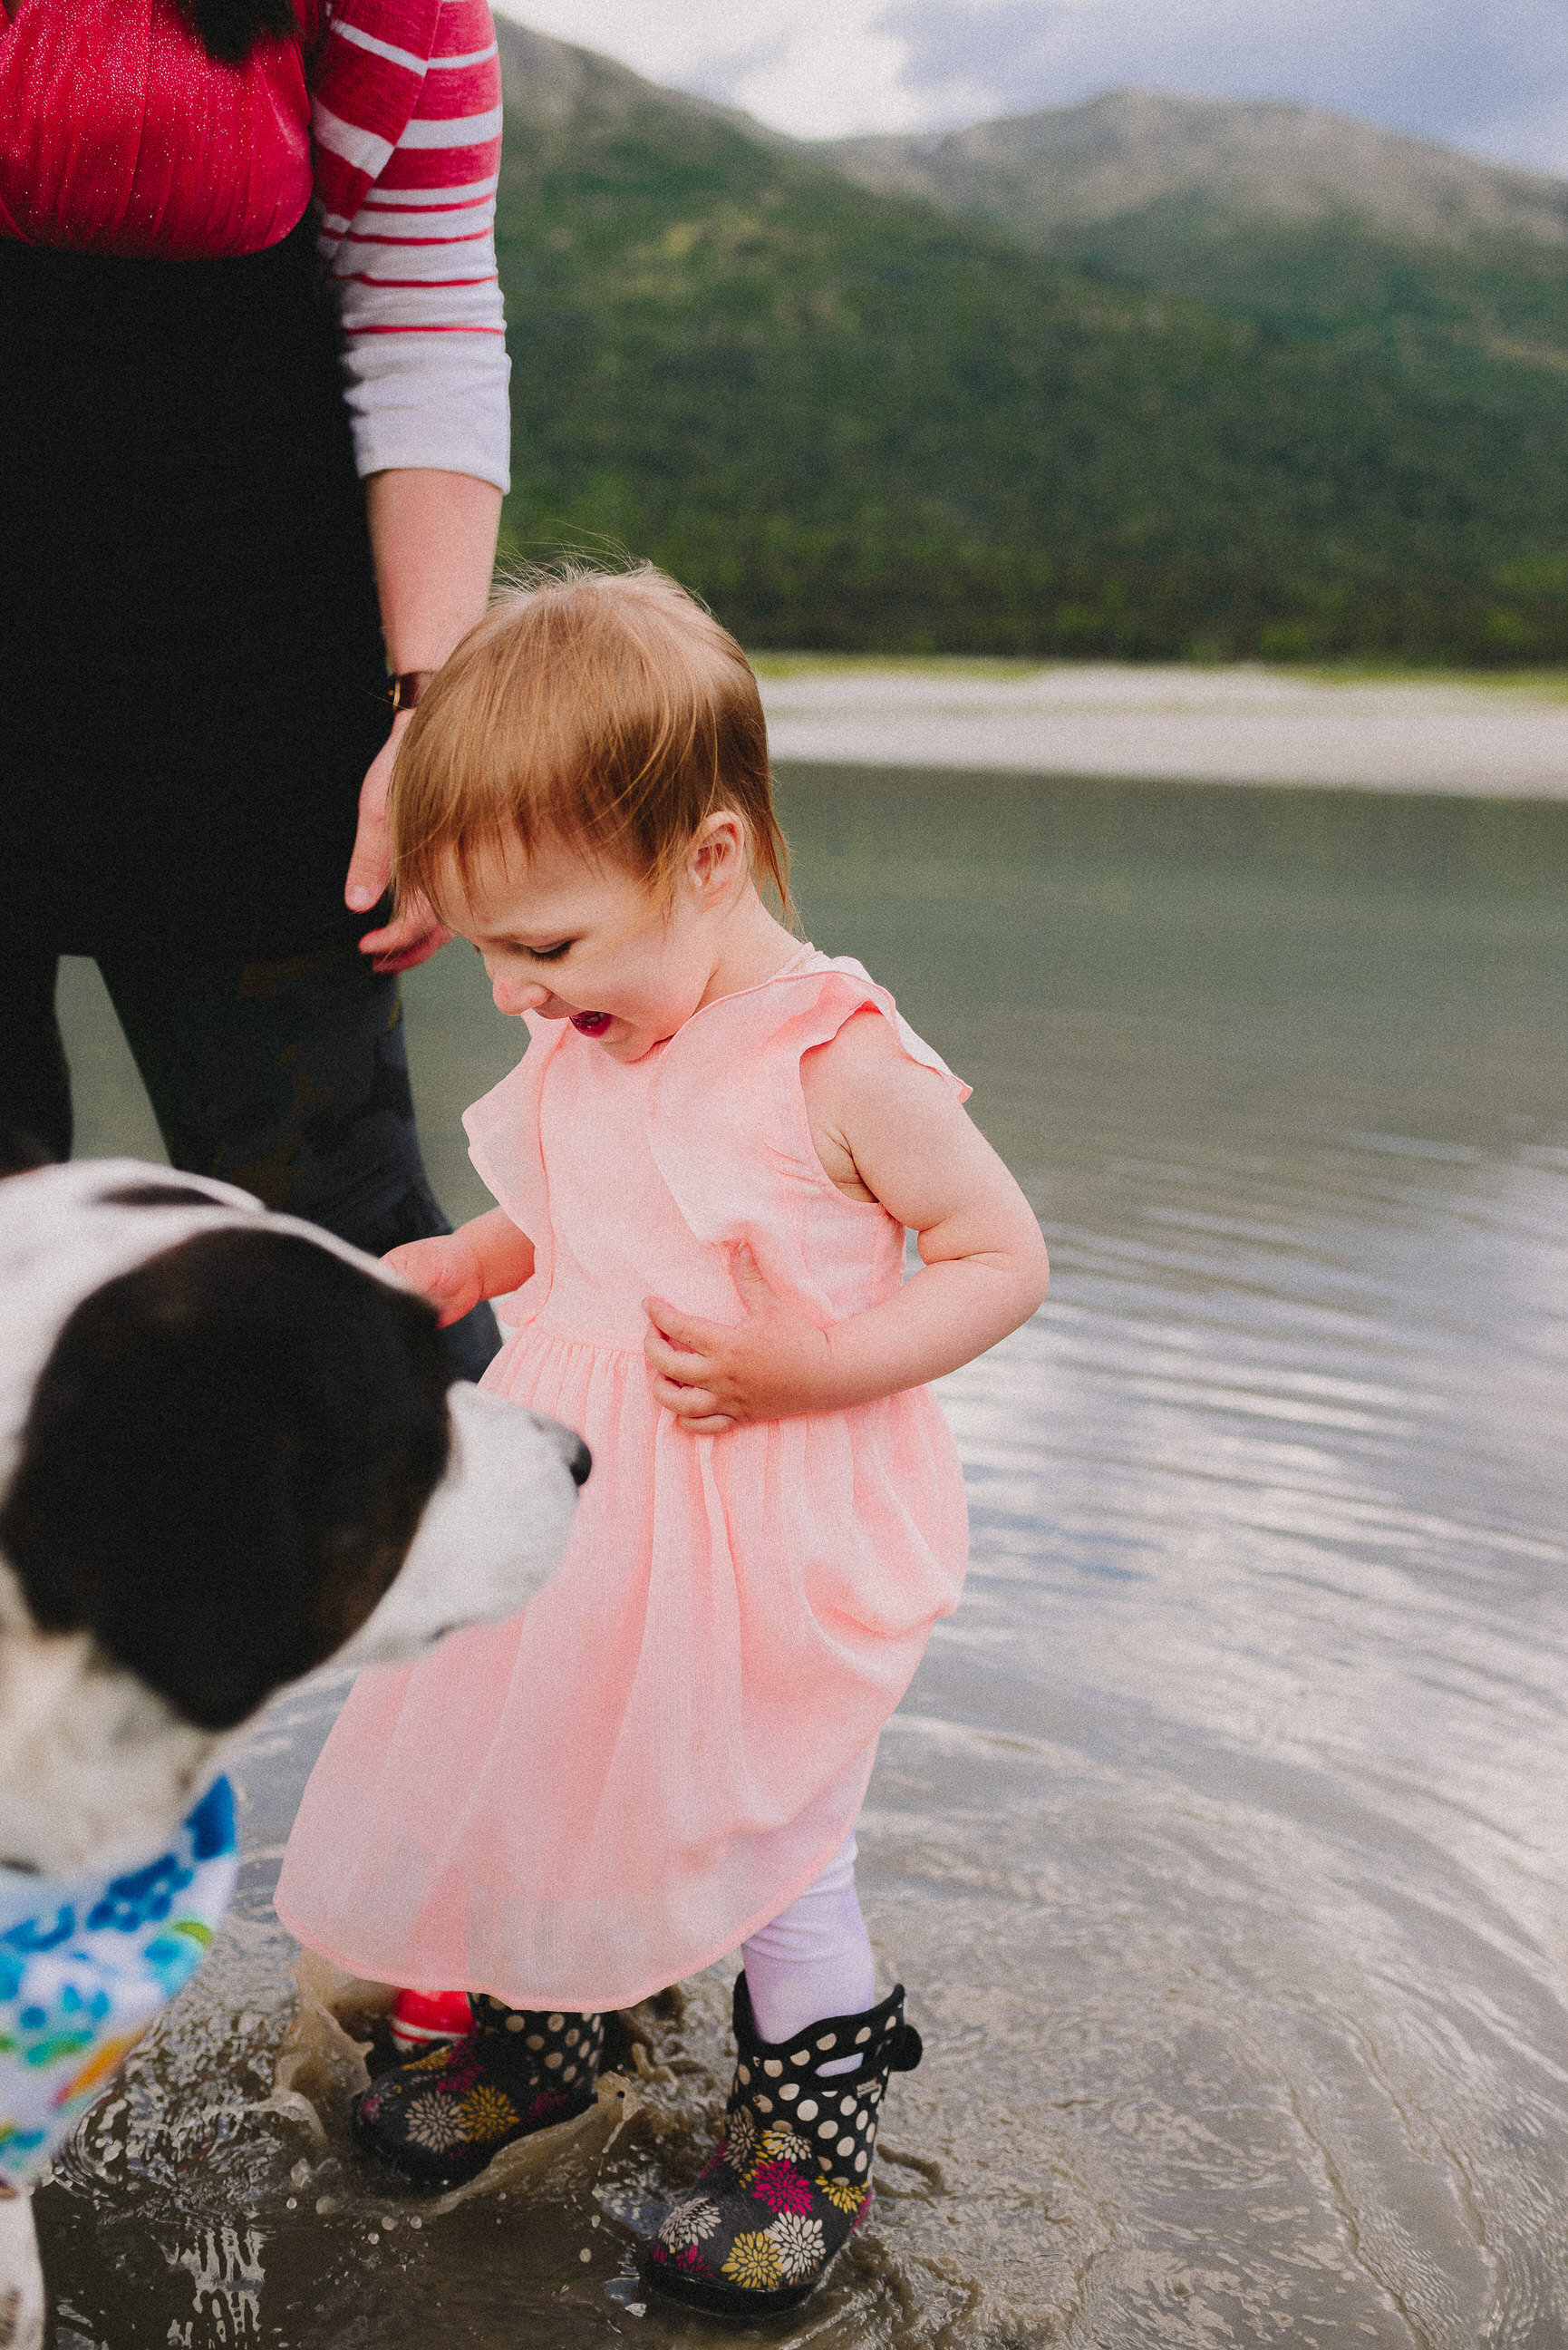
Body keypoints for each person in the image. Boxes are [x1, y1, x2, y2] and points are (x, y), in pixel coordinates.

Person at [274, 563, 1050, 2316]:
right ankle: (547, 2047)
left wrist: (816, 1360)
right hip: (575, 1495)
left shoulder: (837, 1064)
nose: (517, 997)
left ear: (708, 858)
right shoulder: (594, 1029)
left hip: (761, 1517)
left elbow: (1005, 1259)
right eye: (489, 952)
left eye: (545, 946)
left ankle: (804, 2142)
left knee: (768, 1832)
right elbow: (574, 1221)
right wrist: (462, 1259)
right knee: (551, 1765)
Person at [0, 0, 509, 1374]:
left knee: (347, 1252)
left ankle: (494, 1581)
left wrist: (432, 714)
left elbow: (426, 314)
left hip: (249, 669)